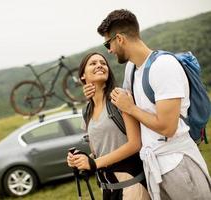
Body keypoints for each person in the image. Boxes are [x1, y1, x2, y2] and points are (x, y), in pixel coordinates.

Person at [84, 9, 211, 200]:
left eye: (107, 43)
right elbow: (120, 100)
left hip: (178, 163)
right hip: (154, 169)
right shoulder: (132, 69)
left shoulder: (163, 66)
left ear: (119, 39)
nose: (108, 50)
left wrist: (132, 109)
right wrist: (93, 91)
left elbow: (168, 128)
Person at [67, 52, 150, 200]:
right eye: (93, 63)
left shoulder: (119, 97)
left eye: (103, 63)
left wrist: (95, 163)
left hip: (131, 185)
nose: (99, 65)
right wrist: (82, 159)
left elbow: (135, 144)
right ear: (82, 76)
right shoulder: (87, 110)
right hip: (107, 189)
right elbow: (99, 151)